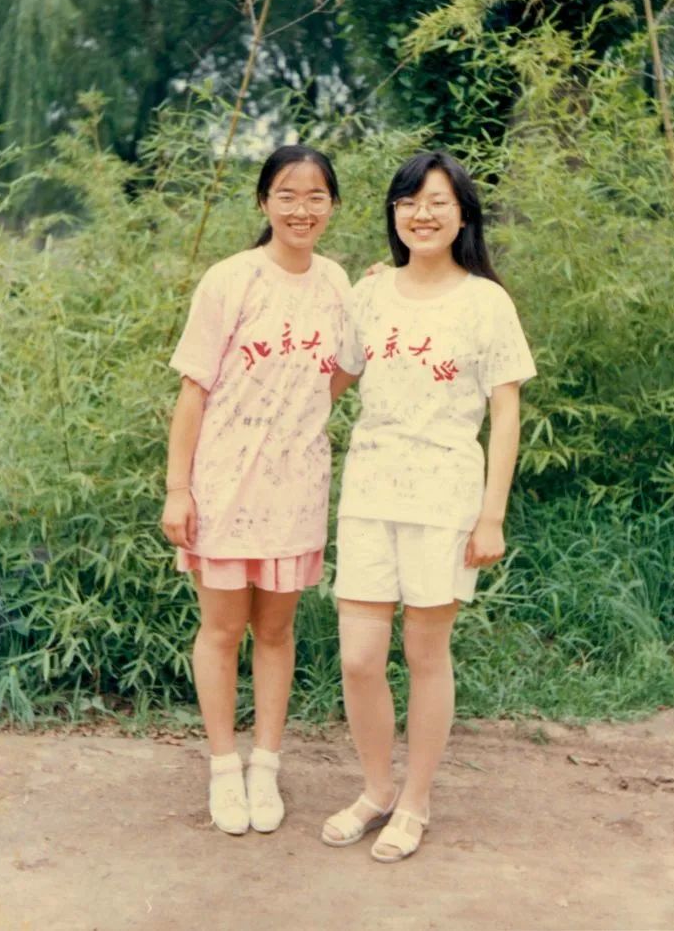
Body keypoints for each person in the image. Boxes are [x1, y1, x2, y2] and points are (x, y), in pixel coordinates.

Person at [323, 150, 536, 862]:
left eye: (438, 201)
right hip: (370, 490)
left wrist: (491, 515)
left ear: (463, 215)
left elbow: (506, 413)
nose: (422, 214)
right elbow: (331, 384)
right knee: (359, 658)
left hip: (445, 496)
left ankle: (415, 801)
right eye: (409, 201)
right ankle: (376, 789)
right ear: (393, 213)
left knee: (424, 653)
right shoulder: (370, 294)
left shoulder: (486, 302)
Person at [161, 145, 354, 836]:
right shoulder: (230, 279)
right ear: (264, 201)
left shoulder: (337, 283)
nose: (302, 210)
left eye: (316, 196)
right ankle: (223, 768)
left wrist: (300, 421)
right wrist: (178, 489)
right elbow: (193, 390)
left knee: (275, 632)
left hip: (296, 486)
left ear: (332, 205)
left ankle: (265, 765)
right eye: (287, 195)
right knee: (221, 630)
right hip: (222, 484)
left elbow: (342, 371)